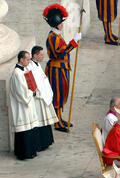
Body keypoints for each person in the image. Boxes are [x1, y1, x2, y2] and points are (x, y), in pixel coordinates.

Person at [43, 3, 82, 132]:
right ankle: (57, 121)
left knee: (62, 93)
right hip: (56, 70)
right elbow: (61, 52)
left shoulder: (56, 35)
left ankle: (60, 117)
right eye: (61, 22)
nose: (62, 24)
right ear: (57, 23)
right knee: (58, 95)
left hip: (61, 69)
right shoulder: (53, 37)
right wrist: (74, 42)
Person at [9, 51, 40, 160]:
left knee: (29, 129)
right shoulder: (17, 73)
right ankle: (23, 153)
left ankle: (30, 151)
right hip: (21, 107)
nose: (28, 61)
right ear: (21, 60)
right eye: (27, 59)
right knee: (24, 130)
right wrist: (32, 92)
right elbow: (21, 93)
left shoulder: (25, 70)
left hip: (27, 105)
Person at [27, 45, 58, 151]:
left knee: (45, 121)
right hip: (38, 98)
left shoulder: (37, 65)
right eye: (41, 54)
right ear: (35, 55)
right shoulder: (30, 66)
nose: (43, 56)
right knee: (40, 121)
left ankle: (47, 141)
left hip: (43, 96)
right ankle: (41, 143)